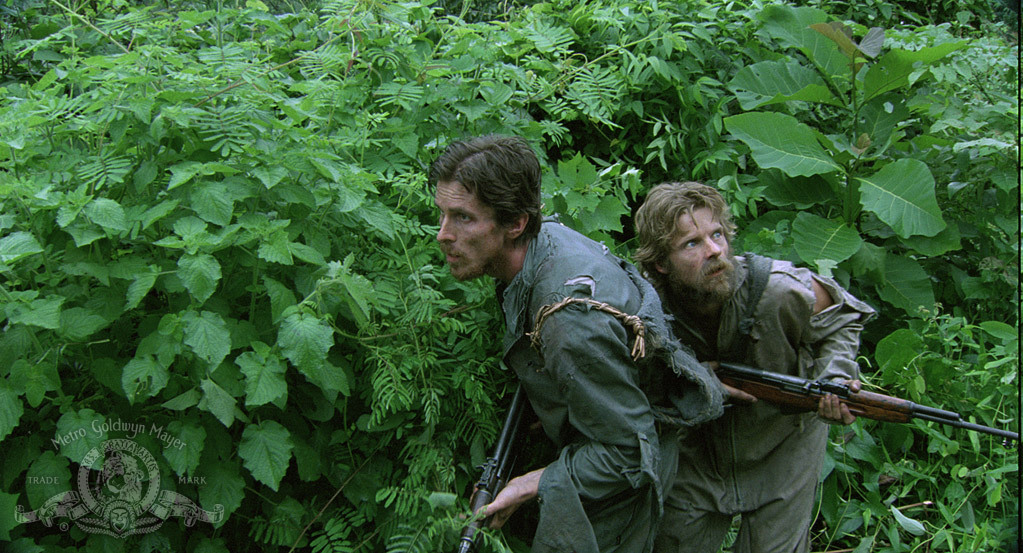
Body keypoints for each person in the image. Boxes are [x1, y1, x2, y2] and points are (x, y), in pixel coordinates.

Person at [431, 137, 725, 553]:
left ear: (515, 222)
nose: (444, 235)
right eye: (443, 214)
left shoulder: (567, 321)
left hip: (627, 484)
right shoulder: (544, 239)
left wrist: (532, 482)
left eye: (463, 218)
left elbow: (629, 455)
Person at [633, 181, 876, 553]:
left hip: (783, 447)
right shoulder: (647, 313)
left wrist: (836, 377)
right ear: (660, 264)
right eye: (692, 244)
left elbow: (844, 316)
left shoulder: (778, 290)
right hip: (698, 454)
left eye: (717, 234)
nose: (715, 250)